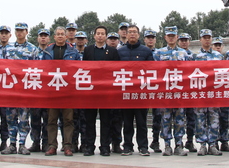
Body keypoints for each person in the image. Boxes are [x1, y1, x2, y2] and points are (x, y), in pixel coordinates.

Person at [41, 26, 81, 156]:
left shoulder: (73, 52)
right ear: (54, 37)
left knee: (68, 120)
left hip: (67, 91)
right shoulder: (47, 52)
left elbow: (78, 70)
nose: (60, 36)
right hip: (52, 91)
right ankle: (52, 145)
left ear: (66, 36)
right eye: (57, 34)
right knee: (51, 120)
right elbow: (42, 70)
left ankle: (67, 145)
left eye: (62, 34)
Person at [82, 25, 121, 156]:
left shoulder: (113, 52)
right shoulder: (87, 50)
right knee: (90, 121)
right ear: (94, 36)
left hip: (106, 92)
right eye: (98, 33)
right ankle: (89, 146)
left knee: (106, 121)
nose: (100, 36)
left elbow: (116, 71)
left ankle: (105, 146)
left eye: (102, 34)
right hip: (91, 92)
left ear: (106, 36)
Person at [1, 23, 37, 155]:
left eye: (22, 30)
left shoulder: (33, 49)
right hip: (11, 90)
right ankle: (12, 144)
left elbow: (37, 69)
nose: (19, 33)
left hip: (25, 91)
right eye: (17, 30)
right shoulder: (7, 48)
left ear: (27, 32)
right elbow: (1, 67)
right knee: (10, 118)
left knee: (23, 119)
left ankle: (22, 144)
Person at [118, 24, 153, 156]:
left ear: (138, 35)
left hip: (141, 93)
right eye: (130, 32)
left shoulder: (146, 51)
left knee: (141, 122)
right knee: (127, 122)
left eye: (134, 32)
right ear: (126, 35)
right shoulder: (120, 52)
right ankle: (127, 146)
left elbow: (152, 71)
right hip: (125, 93)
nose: (132, 34)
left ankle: (143, 146)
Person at [154, 26, 189, 156]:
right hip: (165, 93)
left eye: (173, 36)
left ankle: (179, 145)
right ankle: (167, 145)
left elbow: (189, 71)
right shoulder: (158, 53)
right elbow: (154, 72)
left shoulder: (184, 53)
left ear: (177, 37)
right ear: (165, 37)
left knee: (180, 120)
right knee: (166, 119)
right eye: (169, 36)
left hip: (180, 92)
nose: (171, 38)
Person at [29, 28, 50, 152]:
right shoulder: (32, 52)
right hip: (35, 91)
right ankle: (35, 142)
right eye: (41, 36)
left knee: (47, 119)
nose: (43, 38)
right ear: (37, 38)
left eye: (45, 36)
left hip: (48, 92)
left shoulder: (51, 53)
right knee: (35, 119)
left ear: (49, 38)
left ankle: (46, 142)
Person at [177, 33, 197, 152]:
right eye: (182, 40)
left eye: (186, 40)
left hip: (190, 92)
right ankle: (178, 143)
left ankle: (190, 141)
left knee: (191, 118)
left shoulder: (194, 56)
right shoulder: (175, 55)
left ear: (189, 42)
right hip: (178, 92)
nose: (184, 42)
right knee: (179, 118)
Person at [143, 30, 162, 153]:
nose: (150, 40)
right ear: (144, 39)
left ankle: (155, 140)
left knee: (157, 117)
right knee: (142, 118)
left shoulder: (160, 54)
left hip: (157, 89)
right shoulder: (141, 52)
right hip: (143, 88)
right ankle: (143, 142)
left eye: (152, 38)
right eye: (148, 37)